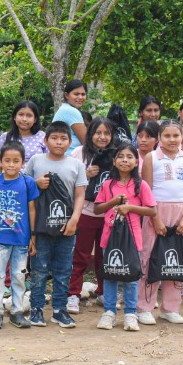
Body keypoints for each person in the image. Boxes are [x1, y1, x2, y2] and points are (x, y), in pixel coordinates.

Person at [23, 121, 87, 328]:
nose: (59, 142)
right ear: (45, 140)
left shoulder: (76, 164)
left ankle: (60, 310)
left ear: (69, 141)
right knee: (39, 269)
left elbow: (79, 195)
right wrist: (35, 183)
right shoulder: (36, 160)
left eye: (64, 138)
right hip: (41, 226)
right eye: (54, 138)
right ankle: (36, 309)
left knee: (63, 269)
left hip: (67, 226)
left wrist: (74, 219)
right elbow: (22, 185)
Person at [0, 142, 38, 330]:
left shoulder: (28, 183)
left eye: (16, 161)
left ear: (23, 162)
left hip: (21, 239)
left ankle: (17, 312)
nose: (11, 165)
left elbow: (32, 210)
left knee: (19, 276)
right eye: (7, 161)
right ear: (1, 162)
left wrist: (33, 237)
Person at [94, 143, 157, 331]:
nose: (125, 160)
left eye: (130, 157)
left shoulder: (141, 185)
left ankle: (130, 313)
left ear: (137, 161)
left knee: (131, 276)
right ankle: (109, 312)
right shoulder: (107, 185)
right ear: (114, 161)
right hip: (109, 238)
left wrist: (130, 208)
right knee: (110, 275)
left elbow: (151, 211)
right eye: (120, 156)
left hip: (133, 239)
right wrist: (113, 201)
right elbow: (97, 209)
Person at [138, 120, 183, 325]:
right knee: (149, 257)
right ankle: (143, 307)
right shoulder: (151, 158)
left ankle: (171, 308)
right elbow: (147, 191)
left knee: (175, 259)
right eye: (167, 136)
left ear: (182, 136)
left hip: (180, 212)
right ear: (159, 138)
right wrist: (155, 218)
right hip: (156, 211)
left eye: (176, 135)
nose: (172, 140)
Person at [67, 117, 117, 314]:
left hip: (108, 213)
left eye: (107, 133)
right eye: (98, 133)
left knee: (105, 256)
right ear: (90, 134)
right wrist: (85, 175)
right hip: (85, 212)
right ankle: (73, 294)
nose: (102, 137)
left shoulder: (116, 153)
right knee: (80, 254)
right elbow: (68, 178)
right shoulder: (78, 153)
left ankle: (104, 292)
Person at [0, 100, 47, 164]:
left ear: (35, 119)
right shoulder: (5, 137)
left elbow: (49, 162)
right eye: (21, 115)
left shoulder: (43, 137)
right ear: (14, 117)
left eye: (29, 116)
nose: (24, 119)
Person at [52, 80, 88, 149]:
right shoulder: (71, 111)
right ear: (66, 95)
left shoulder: (65, 108)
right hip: (70, 156)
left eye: (83, 94)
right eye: (76, 94)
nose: (80, 97)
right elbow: (86, 142)